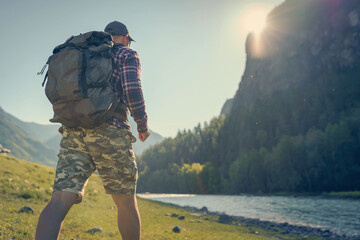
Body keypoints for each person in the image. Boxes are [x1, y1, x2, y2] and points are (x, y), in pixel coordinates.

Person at [35, 21, 149, 240]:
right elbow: (133, 90)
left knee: (59, 201)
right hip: (110, 129)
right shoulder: (126, 54)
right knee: (125, 202)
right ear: (126, 37)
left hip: (74, 130)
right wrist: (142, 125)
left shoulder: (83, 52)